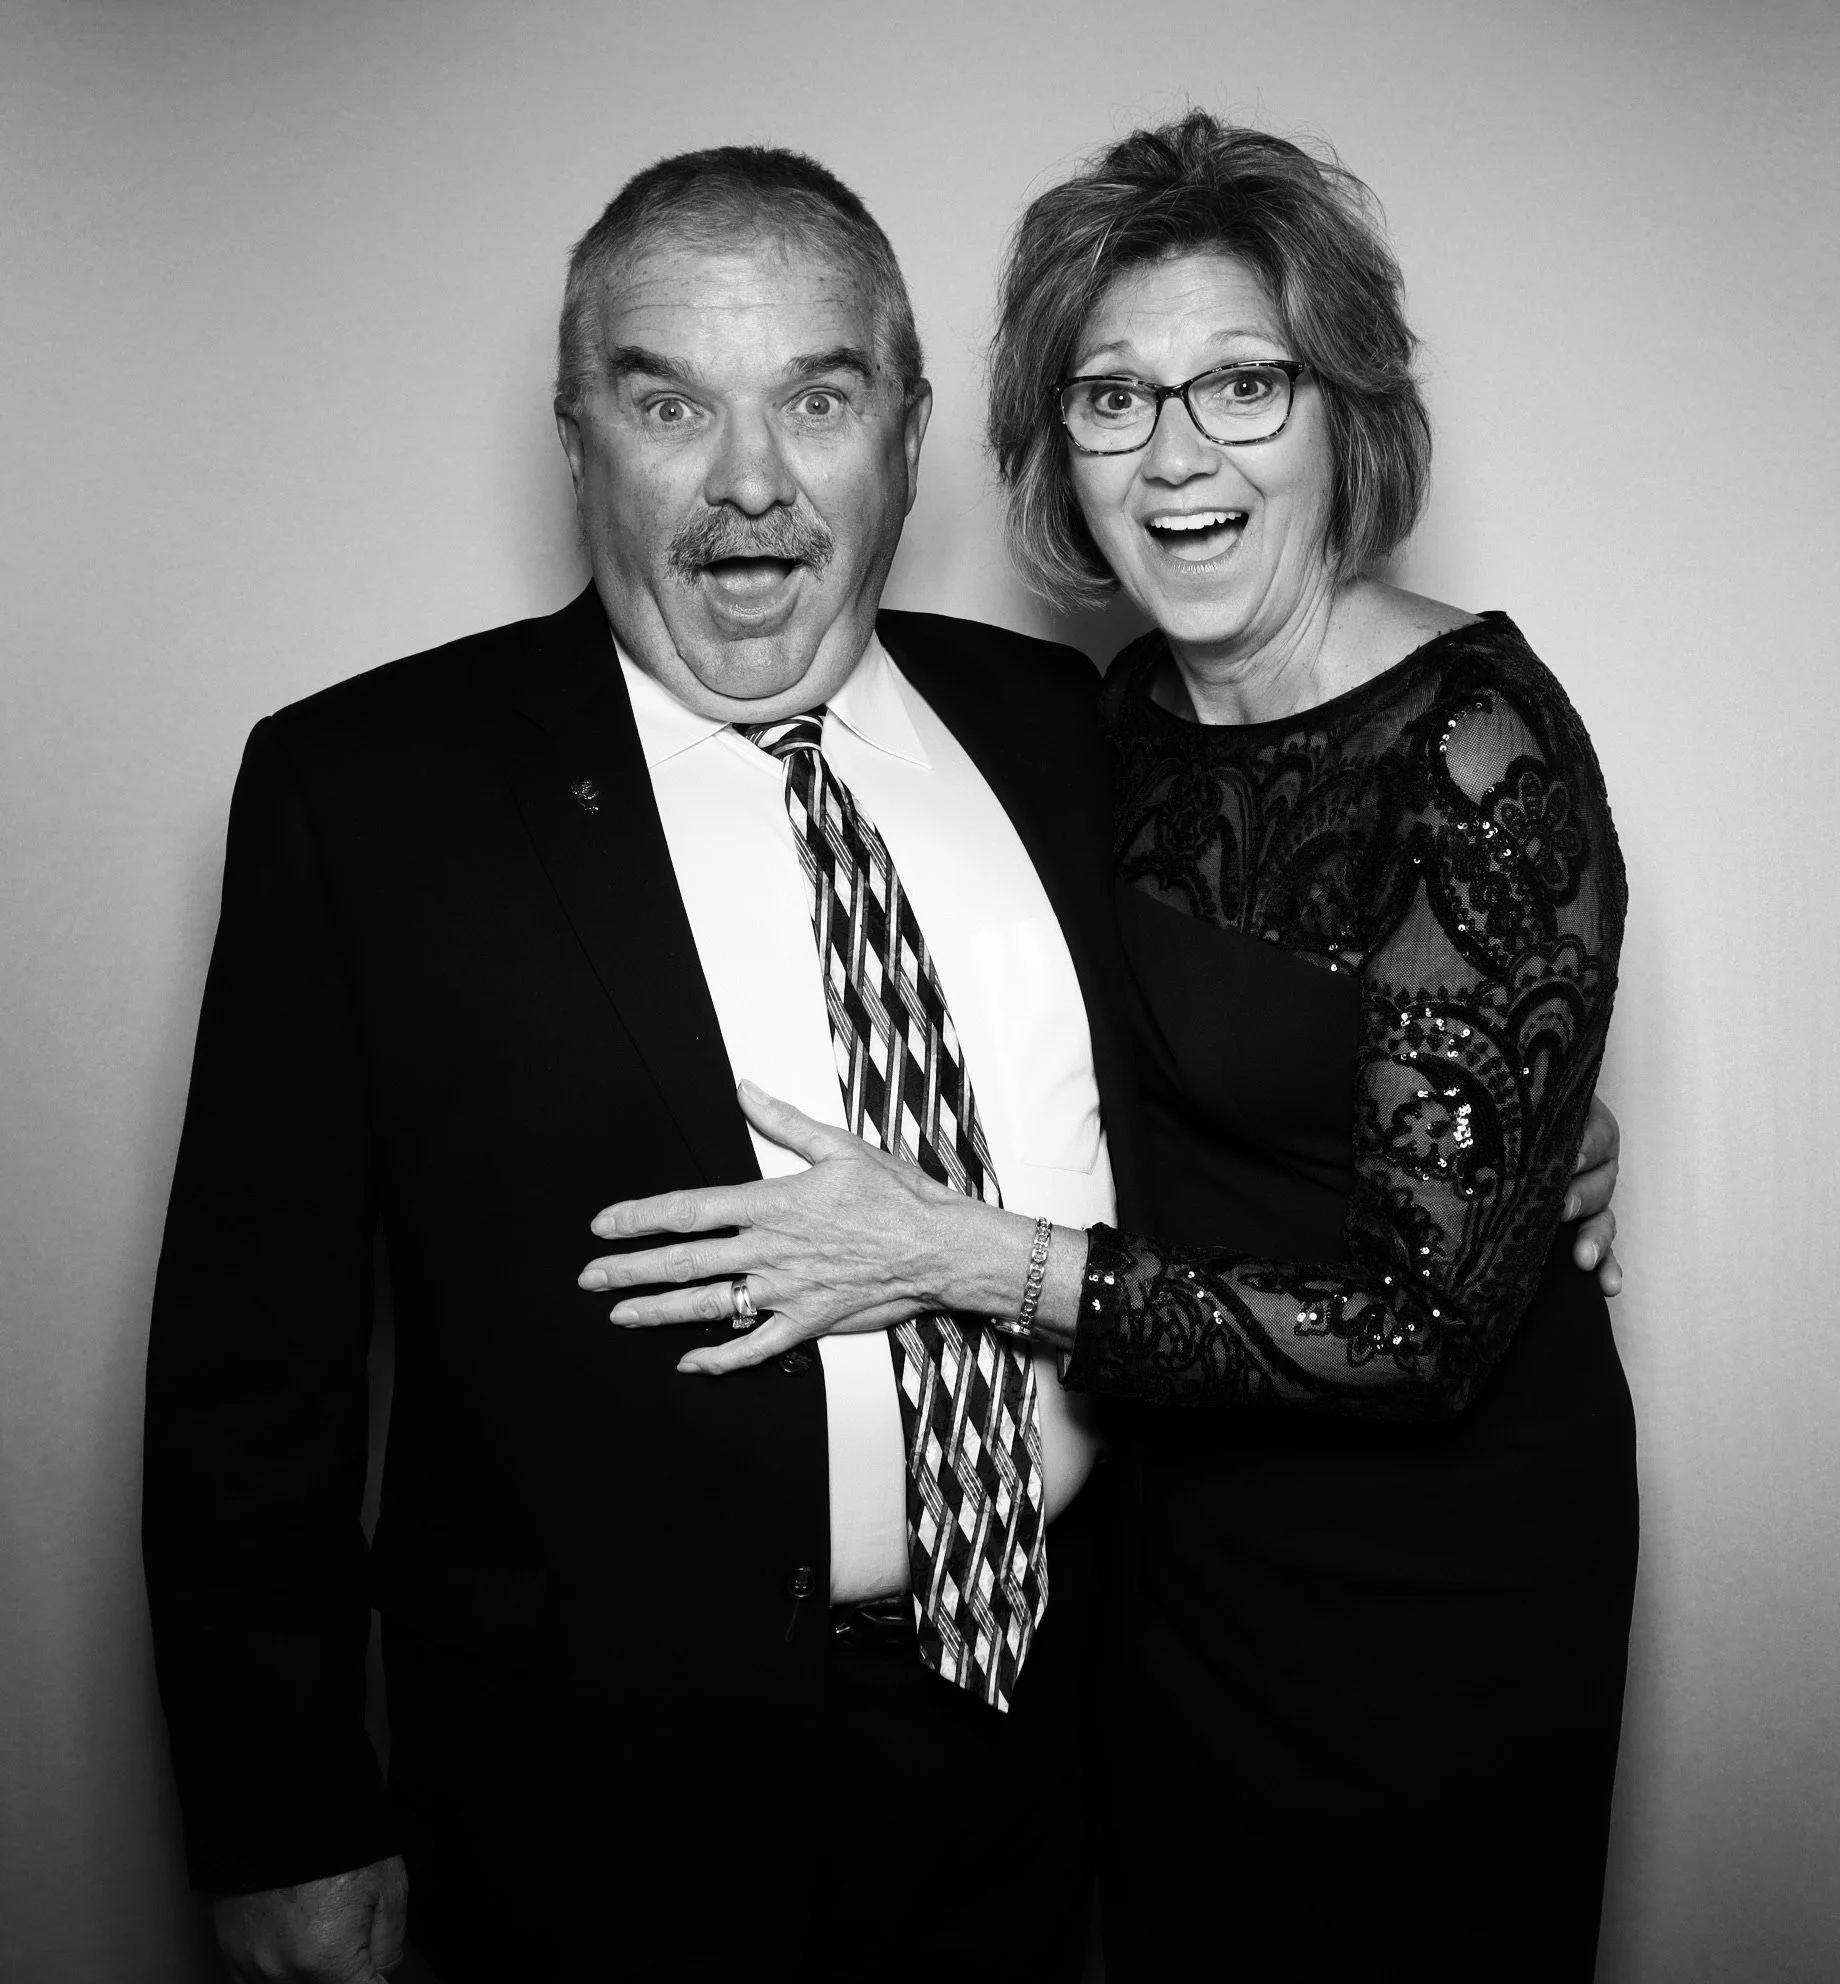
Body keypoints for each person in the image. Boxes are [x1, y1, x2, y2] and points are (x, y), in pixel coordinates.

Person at [584, 114, 1637, 1981]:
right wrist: (1494, 1096)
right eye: (1113, 398)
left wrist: (958, 1259)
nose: (1180, 457)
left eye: (1243, 385)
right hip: (1163, 1559)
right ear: (1052, 450)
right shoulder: (1108, 717)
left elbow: (1420, 1330)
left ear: (1345, 413)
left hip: (1421, 1582)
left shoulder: (1480, 746)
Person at [144, 144, 1142, 1984]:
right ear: (576, 432)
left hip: (1040, 1743)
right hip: (592, 1810)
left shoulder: (1071, 731)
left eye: (816, 399)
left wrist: (1491, 1130)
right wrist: (284, 1815)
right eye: (667, 398)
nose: (749, 482)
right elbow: (246, 1374)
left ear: (906, 436)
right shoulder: (364, 795)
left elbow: (1235, 1074)